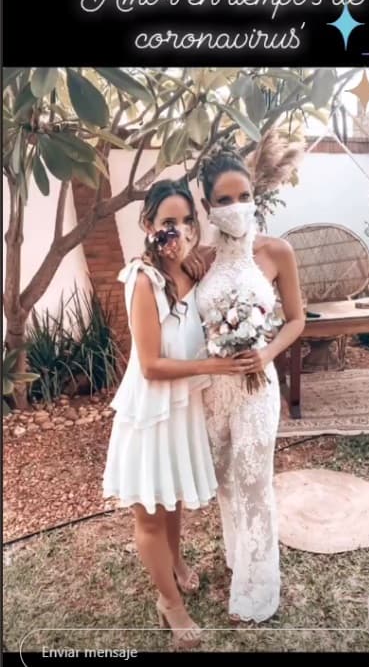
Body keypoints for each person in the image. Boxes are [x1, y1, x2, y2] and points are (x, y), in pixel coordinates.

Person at [102, 178, 255, 649]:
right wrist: (214, 366)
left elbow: (237, 246)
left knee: (171, 500)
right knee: (151, 513)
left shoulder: (191, 270)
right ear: (148, 225)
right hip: (151, 412)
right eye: (168, 222)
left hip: (182, 407)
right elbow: (150, 365)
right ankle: (169, 603)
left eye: (188, 221)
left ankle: (176, 563)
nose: (180, 231)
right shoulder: (142, 280)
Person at [192, 145, 305, 624]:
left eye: (244, 196)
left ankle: (258, 590)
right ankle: (240, 558)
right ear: (208, 206)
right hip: (213, 391)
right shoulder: (199, 261)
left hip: (258, 387)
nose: (236, 206)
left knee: (255, 482)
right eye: (224, 199)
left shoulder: (277, 252)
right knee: (225, 481)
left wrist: (267, 353)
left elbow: (296, 319)